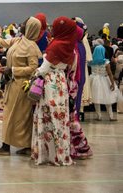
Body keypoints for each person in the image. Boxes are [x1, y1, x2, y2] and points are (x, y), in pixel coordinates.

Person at [0, 17, 42, 155]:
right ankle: (19, 146)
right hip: (12, 84)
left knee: (19, 117)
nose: (21, 25)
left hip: (22, 86)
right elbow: (1, 42)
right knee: (13, 115)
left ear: (30, 28)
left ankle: (8, 147)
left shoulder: (32, 47)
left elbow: (34, 68)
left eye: (24, 23)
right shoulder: (17, 40)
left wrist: (13, 70)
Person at [32, 16, 77, 166]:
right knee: (60, 117)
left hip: (50, 83)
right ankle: (60, 153)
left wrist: (35, 74)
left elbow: (44, 69)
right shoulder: (71, 45)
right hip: (61, 83)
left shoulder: (56, 45)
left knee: (47, 116)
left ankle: (48, 155)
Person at [69, 22, 93, 159]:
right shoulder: (81, 45)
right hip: (80, 79)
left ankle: (76, 143)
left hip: (74, 81)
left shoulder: (75, 46)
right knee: (75, 111)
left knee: (72, 113)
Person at [90, 45, 120, 121]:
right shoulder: (106, 62)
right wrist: (112, 83)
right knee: (108, 97)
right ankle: (111, 116)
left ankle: (98, 116)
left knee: (96, 98)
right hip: (104, 80)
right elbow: (110, 74)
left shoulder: (91, 62)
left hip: (94, 80)